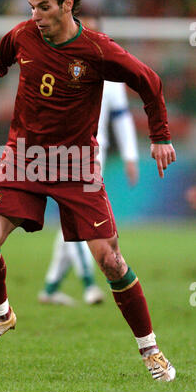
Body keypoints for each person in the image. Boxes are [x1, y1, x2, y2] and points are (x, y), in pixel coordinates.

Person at [0, 0, 176, 381]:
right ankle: (1, 315)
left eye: (44, 7)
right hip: (23, 158)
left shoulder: (97, 50)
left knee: (111, 260)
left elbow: (149, 81)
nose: (35, 15)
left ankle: (151, 350)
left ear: (67, 4)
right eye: (31, 7)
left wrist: (159, 136)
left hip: (76, 165)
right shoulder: (22, 36)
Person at [38, 80, 139, 306]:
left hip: (94, 156)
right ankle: (89, 284)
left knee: (76, 220)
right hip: (66, 154)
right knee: (78, 220)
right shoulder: (64, 62)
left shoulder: (111, 73)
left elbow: (121, 116)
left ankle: (51, 287)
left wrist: (130, 155)